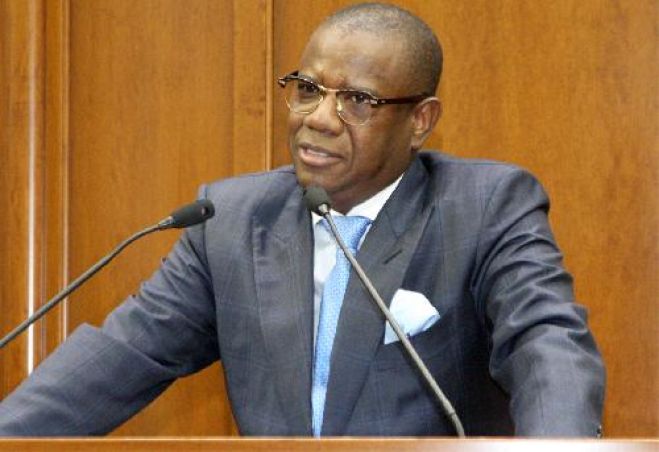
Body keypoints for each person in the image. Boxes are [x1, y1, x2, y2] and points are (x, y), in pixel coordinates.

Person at [0, 3, 604, 437]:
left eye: (357, 100)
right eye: (308, 89)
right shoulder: (232, 221)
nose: (318, 118)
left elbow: (546, 346)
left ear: (420, 121)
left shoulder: (485, 205)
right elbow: (122, 356)